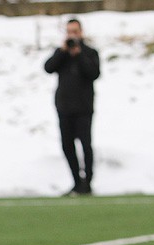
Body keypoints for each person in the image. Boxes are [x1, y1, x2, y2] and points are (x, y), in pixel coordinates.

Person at [44, 18, 101, 196]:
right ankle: (76, 182)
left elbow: (94, 73)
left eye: (75, 31)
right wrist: (63, 52)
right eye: (69, 32)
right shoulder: (61, 53)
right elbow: (48, 68)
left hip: (84, 108)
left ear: (81, 32)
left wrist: (79, 54)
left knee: (86, 146)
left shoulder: (90, 52)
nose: (72, 35)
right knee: (67, 146)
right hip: (64, 107)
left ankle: (87, 182)